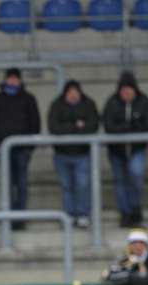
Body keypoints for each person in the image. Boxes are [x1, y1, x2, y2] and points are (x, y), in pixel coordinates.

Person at [0, 67, 41, 228]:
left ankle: (20, 217)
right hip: (2, 150)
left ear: (20, 80)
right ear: (5, 80)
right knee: (7, 184)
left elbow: (35, 124)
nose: (13, 81)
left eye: (16, 79)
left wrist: (30, 147)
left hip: (22, 149)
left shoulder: (29, 99)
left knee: (21, 184)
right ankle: (8, 216)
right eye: (10, 78)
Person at [103, 71, 148, 228]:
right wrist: (128, 127)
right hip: (117, 151)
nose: (126, 93)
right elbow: (109, 125)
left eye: (129, 90)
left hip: (136, 149)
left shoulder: (144, 102)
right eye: (123, 90)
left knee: (135, 176)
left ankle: (135, 209)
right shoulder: (112, 103)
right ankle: (125, 213)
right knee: (120, 181)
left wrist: (132, 127)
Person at [47, 79, 99, 229]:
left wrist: (67, 127)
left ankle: (83, 215)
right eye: (70, 92)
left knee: (82, 185)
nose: (73, 95)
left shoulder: (88, 104)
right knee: (67, 186)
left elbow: (92, 125)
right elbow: (54, 128)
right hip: (62, 154)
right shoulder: (56, 105)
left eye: (75, 92)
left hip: (82, 154)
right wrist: (76, 125)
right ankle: (69, 216)